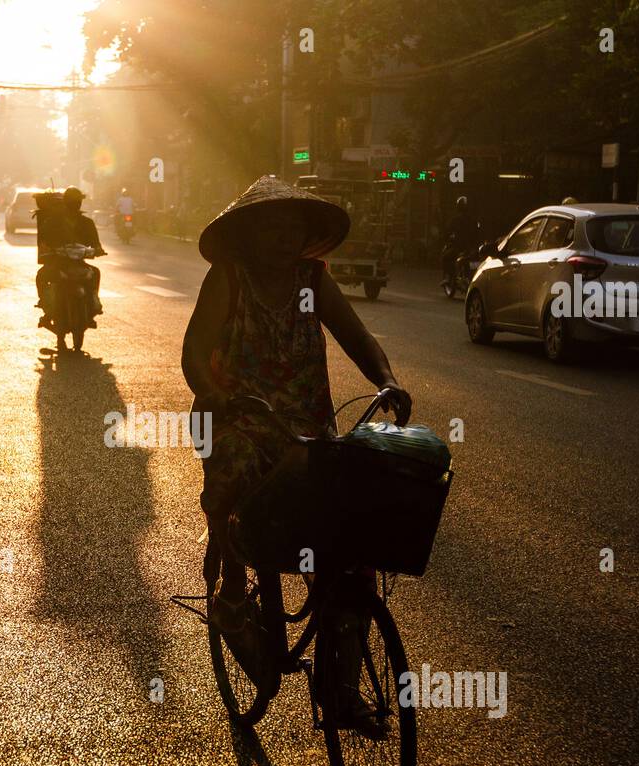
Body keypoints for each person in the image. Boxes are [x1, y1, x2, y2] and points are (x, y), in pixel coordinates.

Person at [181, 175, 411, 687]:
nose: (283, 237)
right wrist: (213, 393)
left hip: (307, 428)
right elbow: (194, 352)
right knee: (235, 472)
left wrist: (387, 379)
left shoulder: (312, 281)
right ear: (248, 234)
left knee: (348, 534)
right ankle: (233, 595)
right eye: (271, 227)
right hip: (237, 416)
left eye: (292, 227)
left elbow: (356, 334)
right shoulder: (229, 278)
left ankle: (344, 685)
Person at [35, 186, 104, 319]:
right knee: (42, 275)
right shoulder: (53, 222)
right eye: (72, 201)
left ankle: (92, 301)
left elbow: (95, 242)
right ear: (65, 202)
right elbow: (44, 238)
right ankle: (44, 303)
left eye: (77, 201)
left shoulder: (87, 222)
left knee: (95, 273)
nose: (75, 204)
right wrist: (49, 248)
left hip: (79, 262)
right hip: (58, 262)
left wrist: (98, 249)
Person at [441, 195, 481, 283]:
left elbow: (447, 232)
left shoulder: (455, 220)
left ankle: (448, 278)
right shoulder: (474, 220)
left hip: (459, 247)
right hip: (473, 248)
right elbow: (478, 233)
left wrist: (447, 238)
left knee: (445, 258)